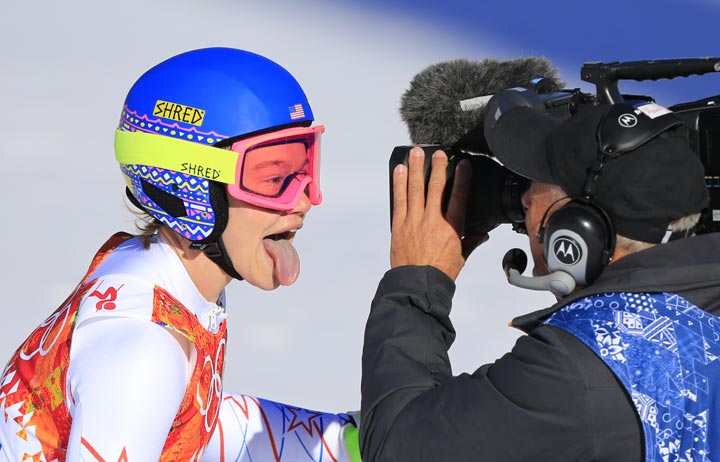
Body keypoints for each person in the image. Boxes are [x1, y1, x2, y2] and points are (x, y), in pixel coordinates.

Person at [0, 47, 360, 461]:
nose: (306, 199)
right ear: (189, 187)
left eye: (305, 167)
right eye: (274, 177)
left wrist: (350, 443)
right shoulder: (145, 349)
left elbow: (189, 427)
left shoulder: (167, 281)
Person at [360, 101, 720, 461]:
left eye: (535, 185)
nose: (524, 198)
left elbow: (399, 446)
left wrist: (418, 279)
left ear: (577, 238)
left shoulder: (578, 375)